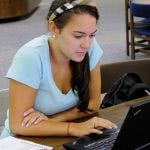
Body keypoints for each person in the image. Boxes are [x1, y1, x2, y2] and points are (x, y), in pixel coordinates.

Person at [1, 0, 117, 138]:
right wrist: (71, 128)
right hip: (20, 140)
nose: (86, 44)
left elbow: (93, 104)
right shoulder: (30, 56)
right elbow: (18, 124)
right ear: (54, 28)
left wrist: (52, 121)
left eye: (92, 35)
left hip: (56, 135)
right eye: (78, 36)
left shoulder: (89, 48)